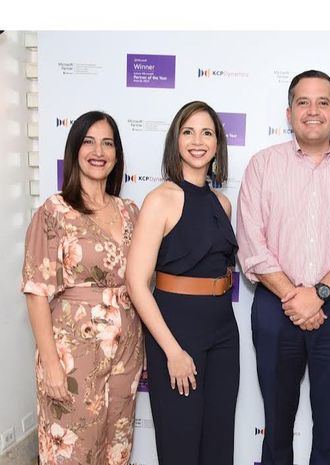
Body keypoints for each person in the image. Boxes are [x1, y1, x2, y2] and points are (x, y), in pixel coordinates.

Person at [236, 69, 330, 465]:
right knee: (276, 425)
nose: (313, 111)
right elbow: (252, 243)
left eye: (323, 102)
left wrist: (317, 295)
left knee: (328, 429)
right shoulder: (262, 166)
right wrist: (292, 295)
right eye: (303, 102)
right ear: (289, 113)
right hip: (274, 305)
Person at [21, 111, 143, 465]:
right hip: (72, 355)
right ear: (74, 149)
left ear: (117, 155)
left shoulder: (131, 212)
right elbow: (35, 291)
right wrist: (52, 364)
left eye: (108, 143)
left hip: (126, 355)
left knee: (115, 451)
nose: (98, 150)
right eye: (88, 141)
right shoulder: (54, 211)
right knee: (72, 453)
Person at [126, 101, 239, 465]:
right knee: (180, 446)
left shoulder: (223, 204)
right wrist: (172, 351)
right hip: (175, 332)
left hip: (224, 332)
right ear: (176, 140)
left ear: (218, 143)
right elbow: (137, 283)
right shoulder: (160, 200)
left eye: (207, 132)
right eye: (188, 131)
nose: (197, 141)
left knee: (218, 443)